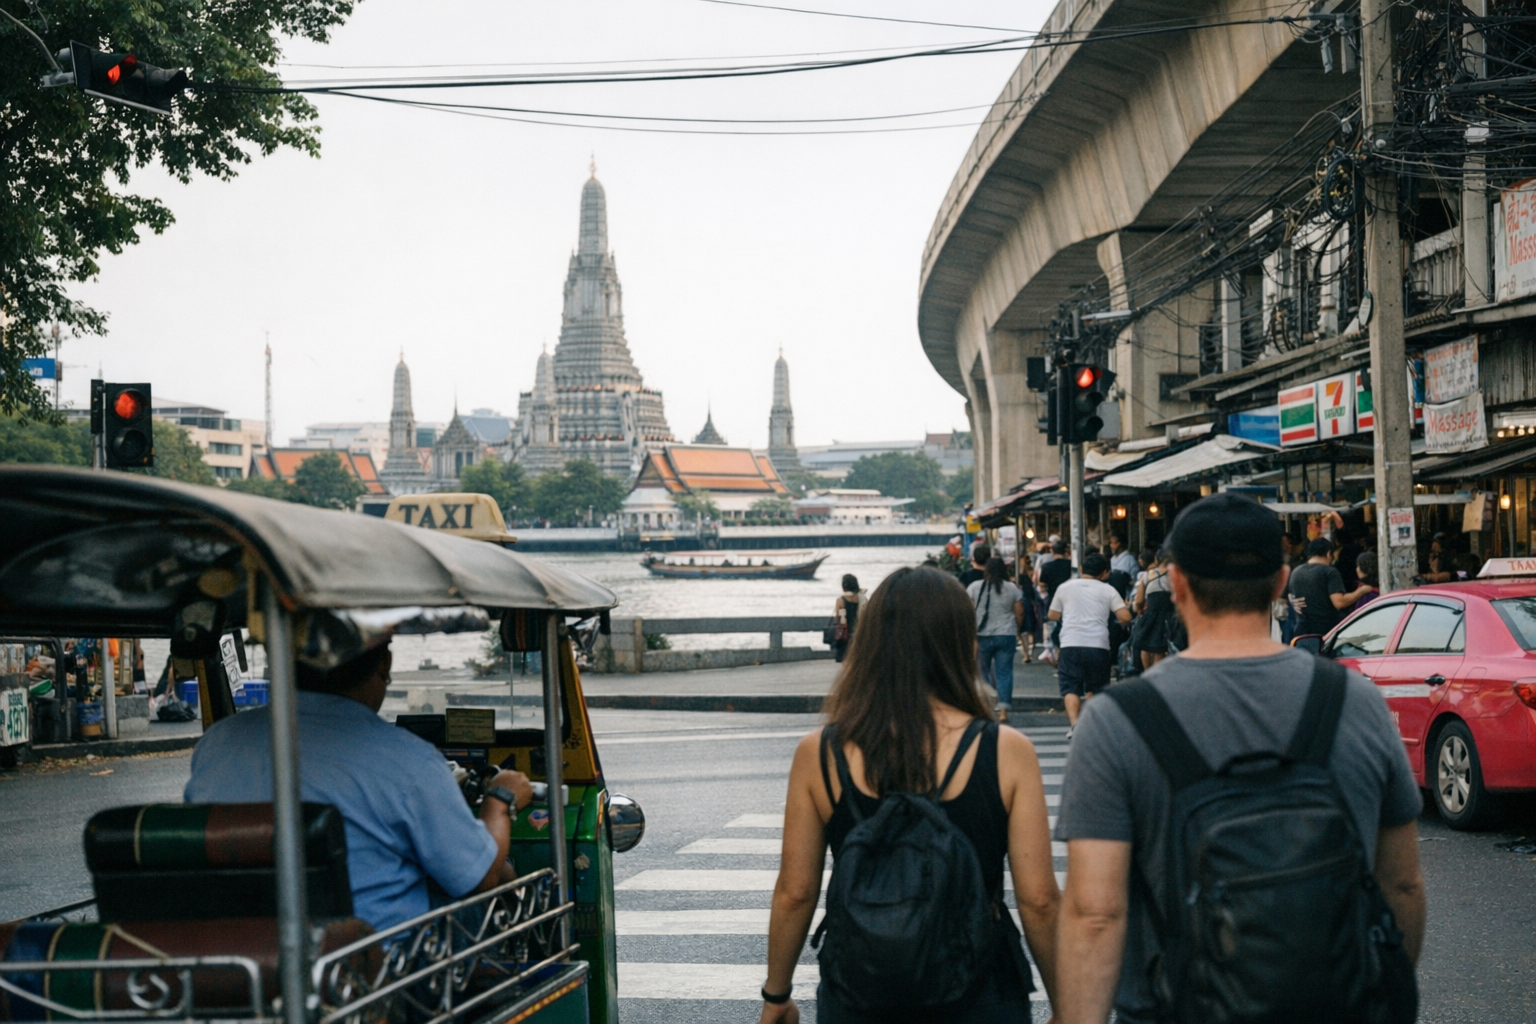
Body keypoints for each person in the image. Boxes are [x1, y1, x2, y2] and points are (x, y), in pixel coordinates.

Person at [1053, 493, 1425, 1024]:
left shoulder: (1116, 721)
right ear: (1279, 582)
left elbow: (1095, 914)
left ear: (1177, 584)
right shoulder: (1355, 701)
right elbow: (1402, 884)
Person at [759, 567, 1059, 1024]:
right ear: (963, 643)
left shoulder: (820, 753)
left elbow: (795, 892)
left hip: (859, 986)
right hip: (980, 986)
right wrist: (1067, 1004)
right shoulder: (1005, 750)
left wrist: (777, 995)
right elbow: (1038, 899)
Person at [185, 640, 535, 931]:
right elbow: (478, 878)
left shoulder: (217, 743)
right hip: (374, 971)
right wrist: (500, 798)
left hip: (243, 956)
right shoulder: (407, 758)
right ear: (385, 663)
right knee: (493, 889)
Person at [1048, 552, 1132, 737]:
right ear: (1104, 573)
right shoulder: (1108, 590)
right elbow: (1125, 617)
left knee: (1070, 685)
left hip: (1070, 643)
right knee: (1095, 686)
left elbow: (1052, 615)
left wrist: (1071, 616)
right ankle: (1091, 723)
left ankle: (1075, 725)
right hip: (1098, 644)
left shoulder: (1065, 587)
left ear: (1081, 569)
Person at [1287, 537, 1372, 651]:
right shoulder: (1329, 572)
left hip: (1301, 634)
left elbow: (1292, 597)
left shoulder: (1296, 572)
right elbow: (1339, 602)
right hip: (1326, 635)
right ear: (1328, 554)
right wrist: (1362, 591)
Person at [967, 557, 1024, 720]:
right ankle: (1004, 711)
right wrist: (1017, 628)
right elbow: (1019, 611)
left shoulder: (974, 587)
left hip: (981, 635)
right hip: (1006, 634)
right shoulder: (1012, 588)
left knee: (982, 672)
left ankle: (987, 707)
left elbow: (968, 611)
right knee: (1004, 672)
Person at [1132, 549, 1175, 671]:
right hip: (1169, 616)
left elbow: (1139, 600)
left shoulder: (1147, 575)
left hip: (1150, 615)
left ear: (1156, 559)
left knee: (1145, 646)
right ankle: (1157, 677)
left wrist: (1139, 611)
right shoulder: (1174, 575)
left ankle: (1147, 673)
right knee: (1160, 651)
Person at [1037, 540, 1074, 664]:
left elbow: (1041, 585)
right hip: (1070, 601)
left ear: (1052, 552)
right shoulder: (1071, 566)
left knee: (1054, 628)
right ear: (1066, 551)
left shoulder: (1047, 567)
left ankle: (1055, 652)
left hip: (1053, 601)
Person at [831, 574, 863, 664]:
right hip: (858, 633)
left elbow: (836, 616)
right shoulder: (860, 598)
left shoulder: (840, 600)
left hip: (845, 634)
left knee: (845, 660)